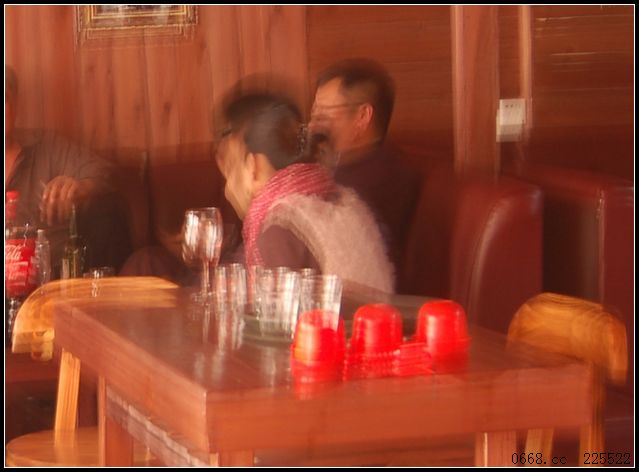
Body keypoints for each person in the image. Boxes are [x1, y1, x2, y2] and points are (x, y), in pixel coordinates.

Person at [215, 91, 394, 293]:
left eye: (230, 167)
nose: (228, 186)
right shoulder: (339, 197)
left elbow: (275, 310)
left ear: (253, 166)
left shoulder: (280, 226)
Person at [5, 65, 131, 276]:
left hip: (55, 279)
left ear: (15, 104)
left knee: (108, 207)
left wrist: (81, 189)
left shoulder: (47, 147)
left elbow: (106, 173)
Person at [308, 58, 421, 272]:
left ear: (362, 116)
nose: (313, 125)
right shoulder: (337, 166)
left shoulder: (387, 176)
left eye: (324, 114)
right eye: (314, 113)